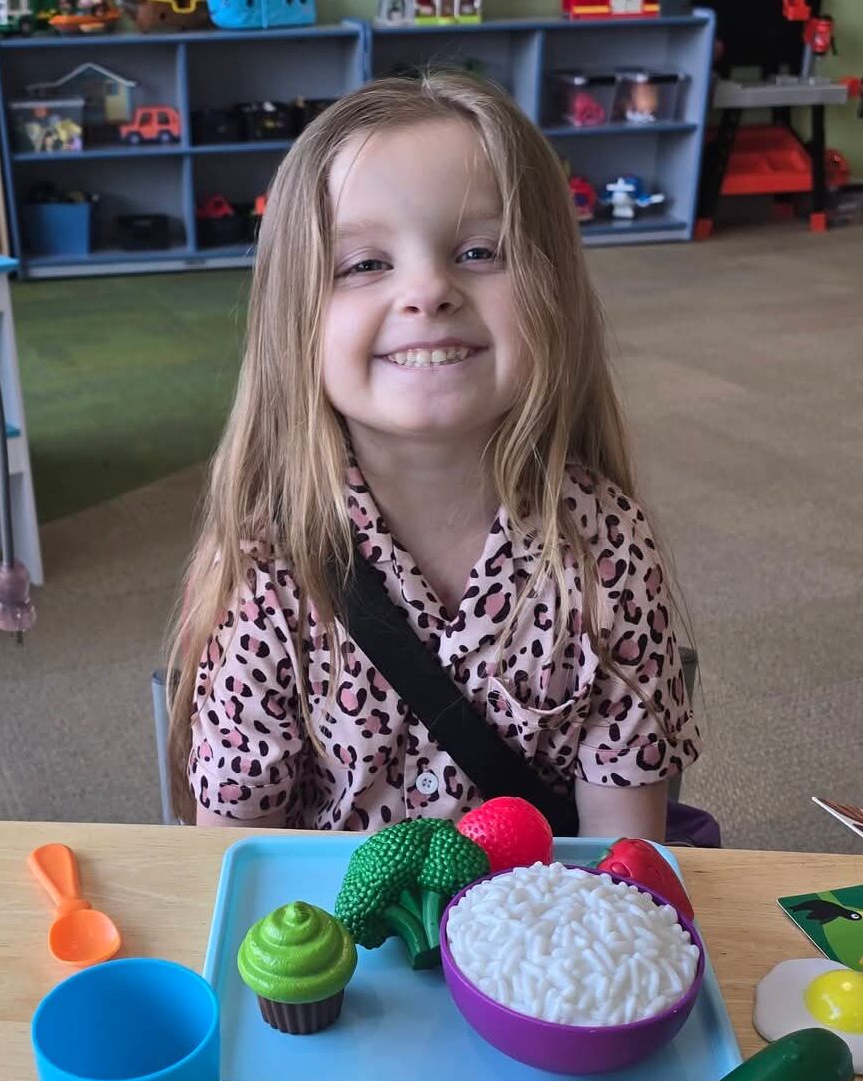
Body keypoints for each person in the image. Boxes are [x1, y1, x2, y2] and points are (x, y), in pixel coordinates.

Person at [167, 72, 700, 839]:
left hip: (535, 948)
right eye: (363, 264)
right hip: (335, 952)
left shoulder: (606, 544)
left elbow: (623, 860)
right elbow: (237, 857)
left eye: (480, 250)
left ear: (556, 292)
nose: (427, 290)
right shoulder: (267, 565)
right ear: (294, 323)